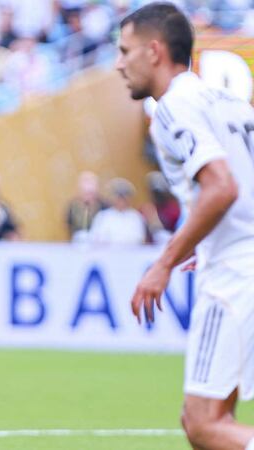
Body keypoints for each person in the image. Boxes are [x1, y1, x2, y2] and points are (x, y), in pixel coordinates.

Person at [117, 3, 254, 449]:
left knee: (203, 425)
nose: (120, 64)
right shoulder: (227, 100)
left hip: (236, 275)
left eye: (125, 51)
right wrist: (207, 237)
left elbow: (222, 188)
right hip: (238, 257)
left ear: (154, 51)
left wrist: (164, 262)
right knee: (215, 416)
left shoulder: (173, 107)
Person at [88, 177, 147, 245]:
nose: (121, 201)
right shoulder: (103, 216)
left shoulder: (135, 217)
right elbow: (95, 238)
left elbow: (139, 238)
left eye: (124, 198)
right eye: (118, 198)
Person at [65, 170, 106, 242]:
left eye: (91, 193)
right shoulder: (73, 206)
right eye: (86, 193)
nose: (88, 197)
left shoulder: (104, 206)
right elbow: (69, 224)